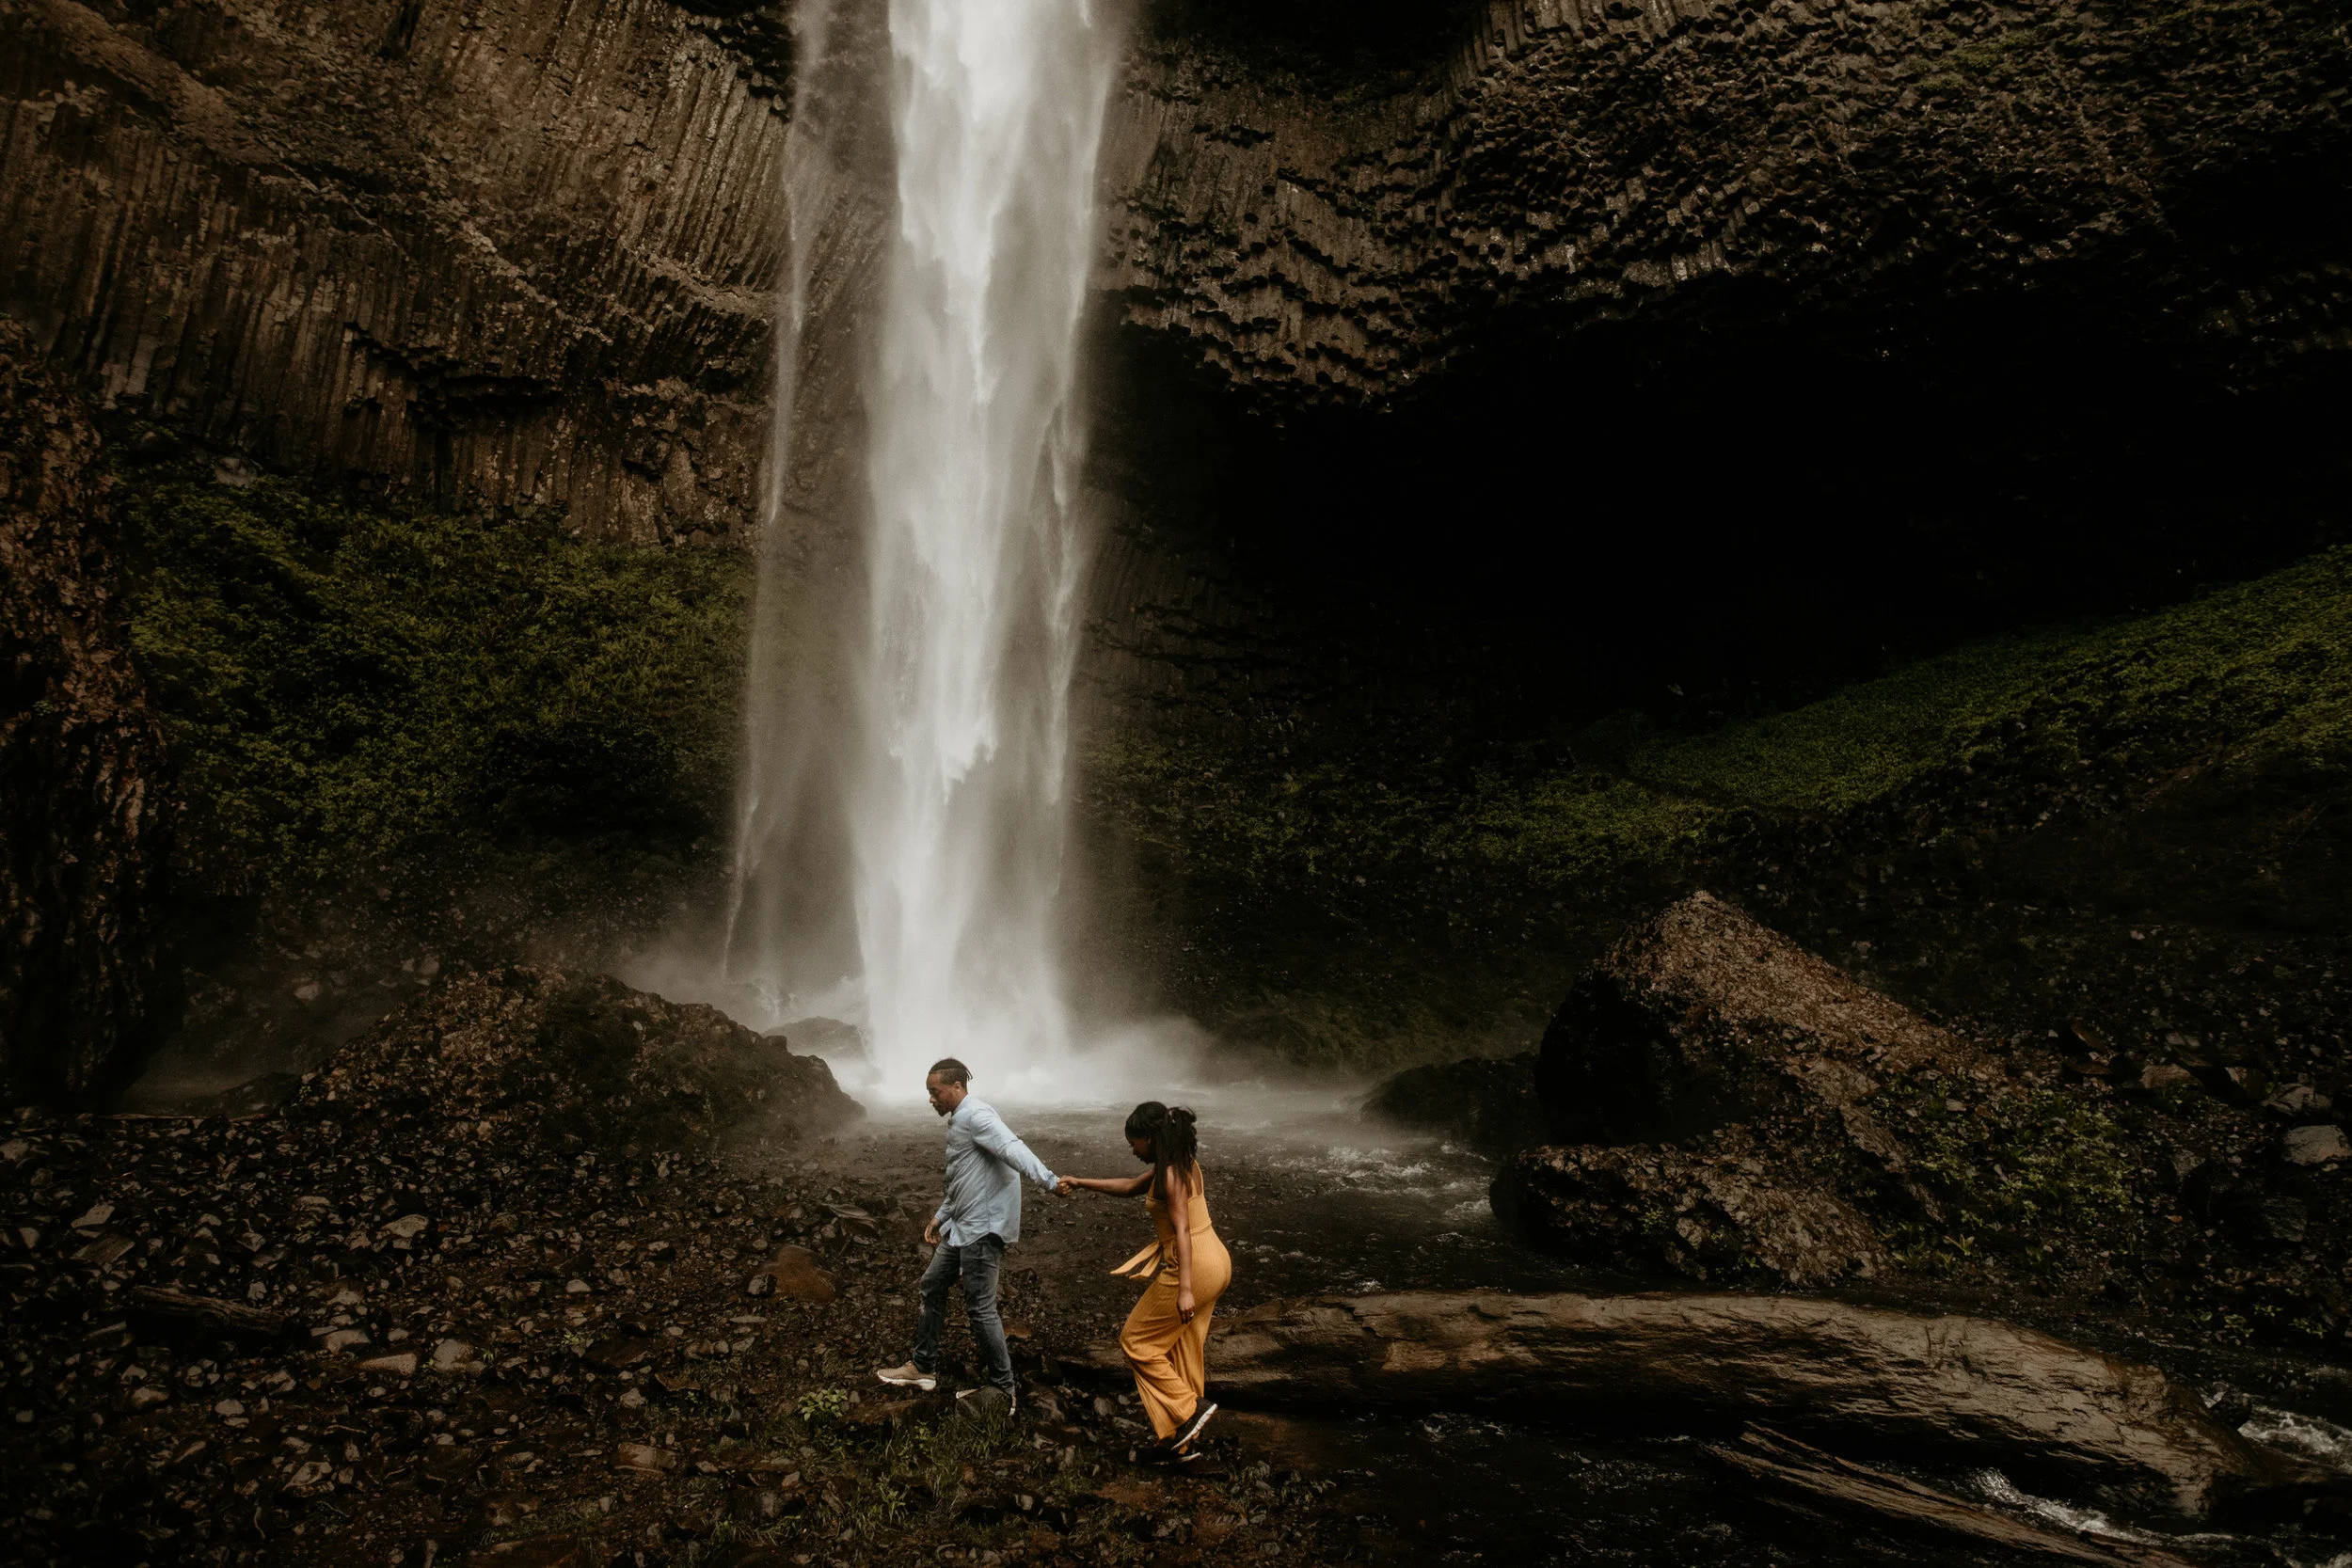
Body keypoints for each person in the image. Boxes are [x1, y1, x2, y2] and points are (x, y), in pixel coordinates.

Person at [875, 1058, 1061, 1407]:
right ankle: (924, 1367)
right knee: (932, 1285)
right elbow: (965, 1177)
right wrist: (941, 1216)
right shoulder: (962, 1119)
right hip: (963, 1225)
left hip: (982, 1228)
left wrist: (1049, 1181)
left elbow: (1012, 1148)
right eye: (929, 1092)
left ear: (957, 1087)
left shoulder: (977, 1116)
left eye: (936, 1092)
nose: (931, 1099)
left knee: (980, 1308)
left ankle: (1003, 1390)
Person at [1057, 1102, 1231, 1459]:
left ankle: (1187, 1410)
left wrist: (1183, 1288)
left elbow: (1181, 1229)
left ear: (1149, 1138)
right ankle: (1184, 1440)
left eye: (1133, 1142)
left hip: (1193, 1265)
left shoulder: (1169, 1175)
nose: (1132, 1149)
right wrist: (1080, 1181)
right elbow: (1129, 1187)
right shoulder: (1179, 1165)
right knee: (1182, 1347)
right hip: (1215, 1260)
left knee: (1136, 1340)